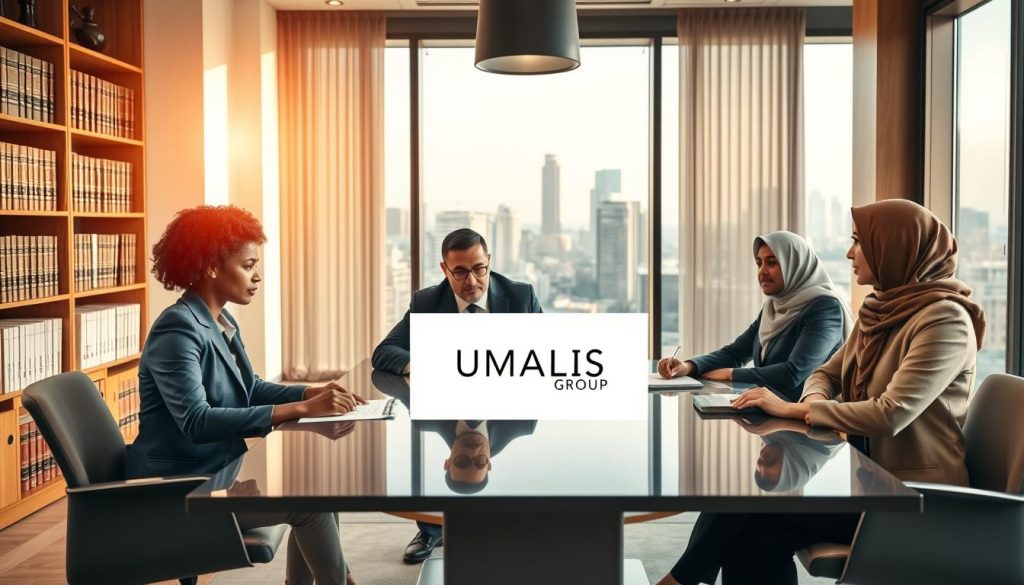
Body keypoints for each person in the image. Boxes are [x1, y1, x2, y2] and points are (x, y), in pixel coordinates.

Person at [657, 199, 985, 585]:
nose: (849, 252)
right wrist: (812, 401)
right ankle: (685, 578)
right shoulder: (881, 310)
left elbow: (890, 413)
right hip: (869, 483)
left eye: (859, 242)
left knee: (750, 503)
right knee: (753, 538)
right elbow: (826, 374)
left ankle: (681, 578)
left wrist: (797, 411)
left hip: (913, 498)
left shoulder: (945, 320)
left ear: (895, 247)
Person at [126, 206, 365, 585]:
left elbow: (249, 389)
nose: (257, 276)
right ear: (210, 266)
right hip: (180, 490)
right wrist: (300, 407)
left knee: (319, 486)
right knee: (312, 507)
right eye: (248, 264)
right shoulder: (178, 329)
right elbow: (196, 420)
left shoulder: (219, 319)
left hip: (217, 473)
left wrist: (311, 390)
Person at [371, 227, 543, 563]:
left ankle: (485, 526)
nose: (472, 280)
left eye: (479, 268)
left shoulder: (520, 296)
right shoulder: (427, 302)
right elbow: (384, 352)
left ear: (489, 262)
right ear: (445, 270)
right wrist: (417, 364)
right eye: (460, 271)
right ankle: (432, 528)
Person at [658, 231, 852, 402]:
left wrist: (731, 375)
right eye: (759, 263)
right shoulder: (773, 307)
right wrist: (688, 366)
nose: (762, 272)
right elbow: (735, 353)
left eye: (772, 262)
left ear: (795, 265)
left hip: (809, 429)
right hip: (772, 418)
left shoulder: (825, 308)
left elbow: (793, 373)